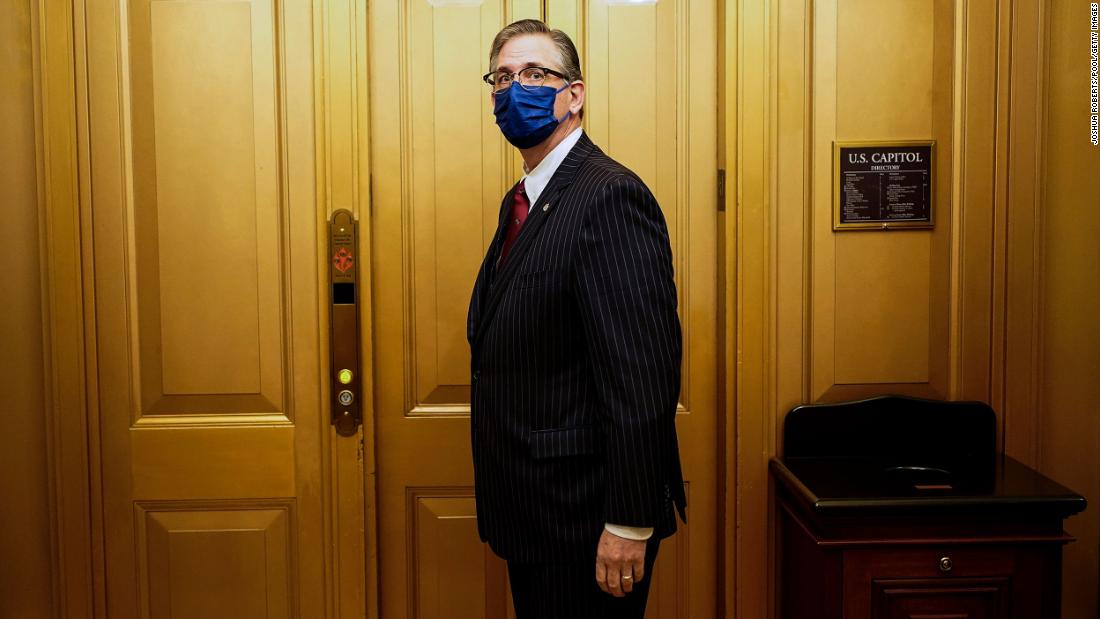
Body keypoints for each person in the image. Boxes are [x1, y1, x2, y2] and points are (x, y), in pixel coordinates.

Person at [466, 19, 687, 619]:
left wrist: (629, 520)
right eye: (503, 78)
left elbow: (642, 376)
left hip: (586, 520)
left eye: (536, 74)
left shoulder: (608, 195)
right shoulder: (528, 197)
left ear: (575, 93)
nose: (516, 89)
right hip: (536, 513)